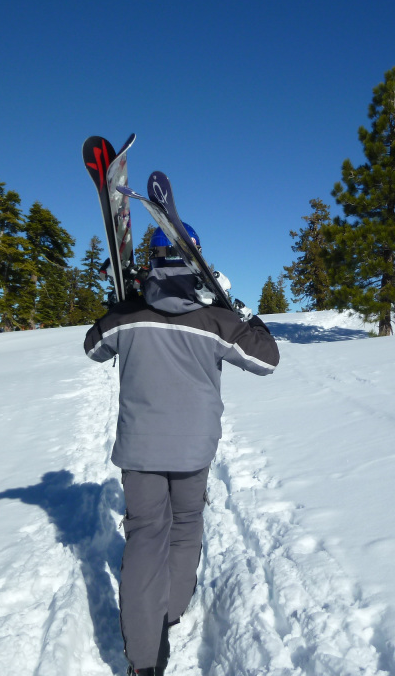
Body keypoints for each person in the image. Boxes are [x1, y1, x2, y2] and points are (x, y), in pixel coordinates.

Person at [84, 224, 280, 676]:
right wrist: (245, 314)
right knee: (186, 524)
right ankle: (169, 614)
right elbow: (267, 360)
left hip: (139, 452)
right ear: (196, 263)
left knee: (145, 537)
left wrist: (118, 305)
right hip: (194, 450)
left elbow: (93, 348)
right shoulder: (216, 321)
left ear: (149, 262)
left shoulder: (128, 317)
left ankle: (143, 659)